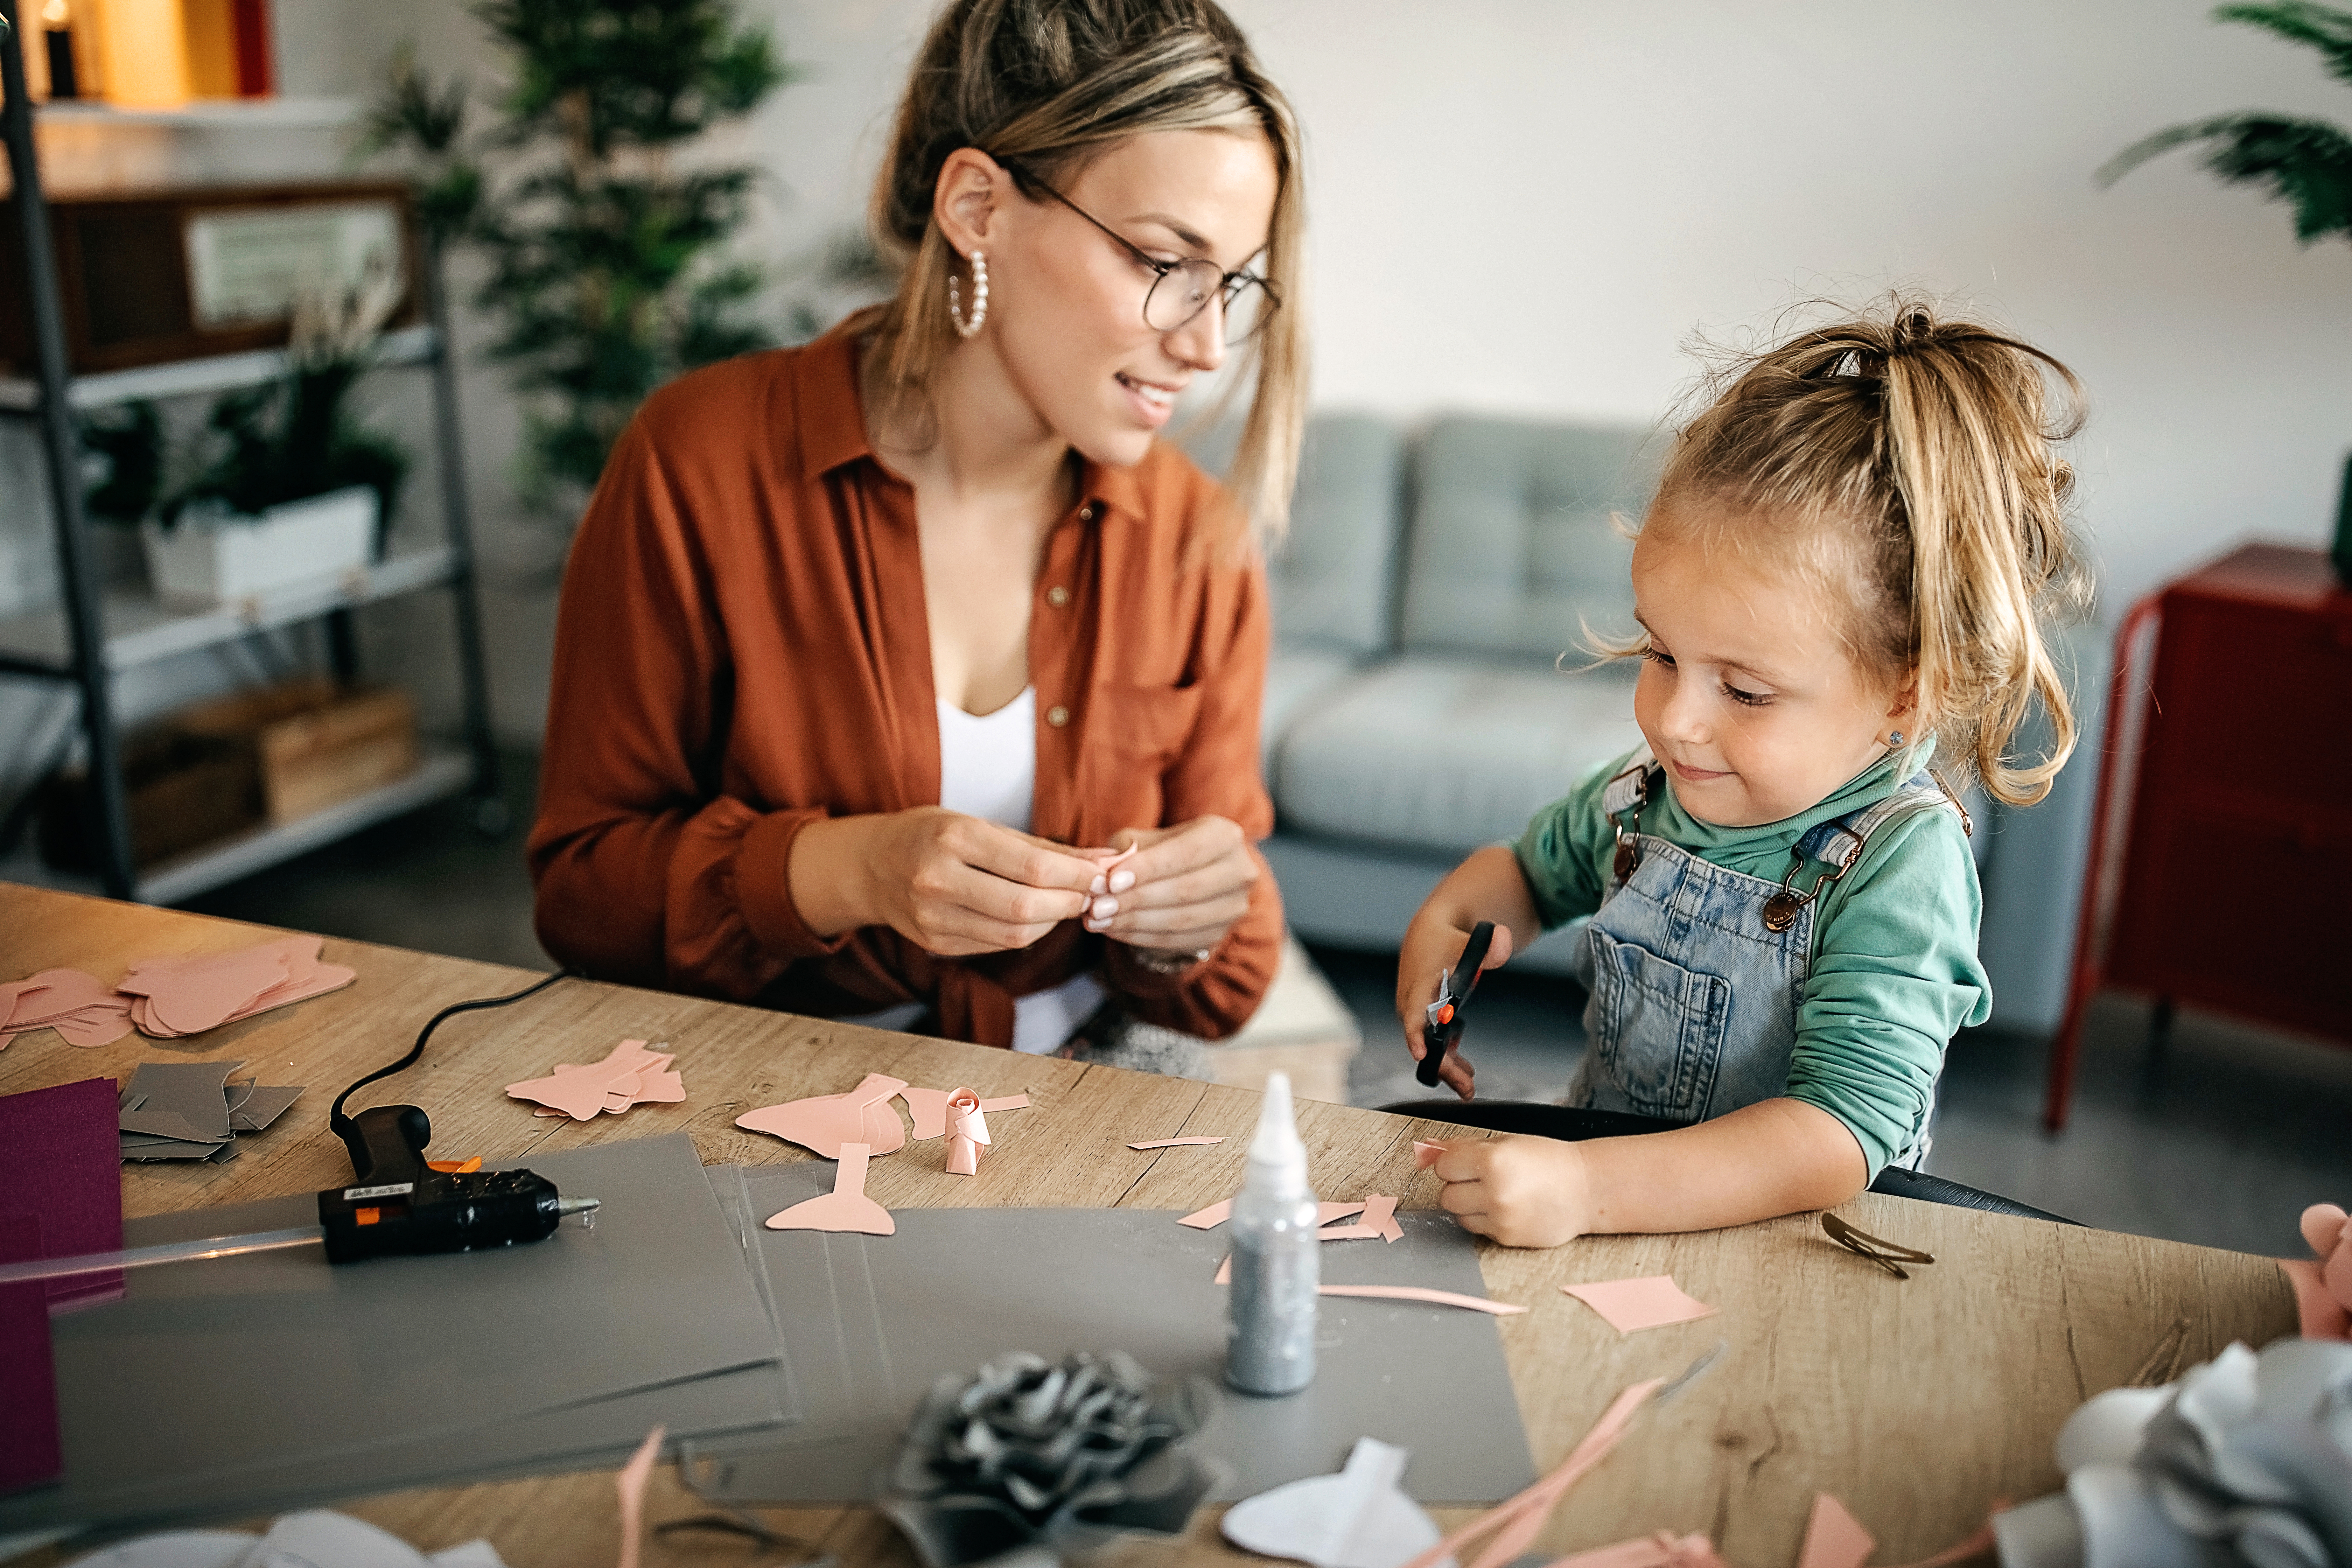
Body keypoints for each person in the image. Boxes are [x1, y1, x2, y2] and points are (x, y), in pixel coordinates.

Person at [527, 0, 1307, 1054]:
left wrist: (1192, 918)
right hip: (769, 1086)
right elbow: (583, 899)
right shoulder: (697, 463)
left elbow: (1233, 977)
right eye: (1166, 265)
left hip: (1091, 1098)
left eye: (1236, 284)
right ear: (979, 206)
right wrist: (845, 872)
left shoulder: (1192, 536)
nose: (1210, 345)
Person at [1400, 299, 2089, 1246]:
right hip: (1596, 1222)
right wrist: (1443, 931)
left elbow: (1841, 1133)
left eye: (1748, 693)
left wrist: (1590, 1191)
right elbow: (1519, 878)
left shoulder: (1905, 865)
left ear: (1906, 691)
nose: (1676, 722)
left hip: (1785, 1255)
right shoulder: (1655, 791)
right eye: (1662, 654)